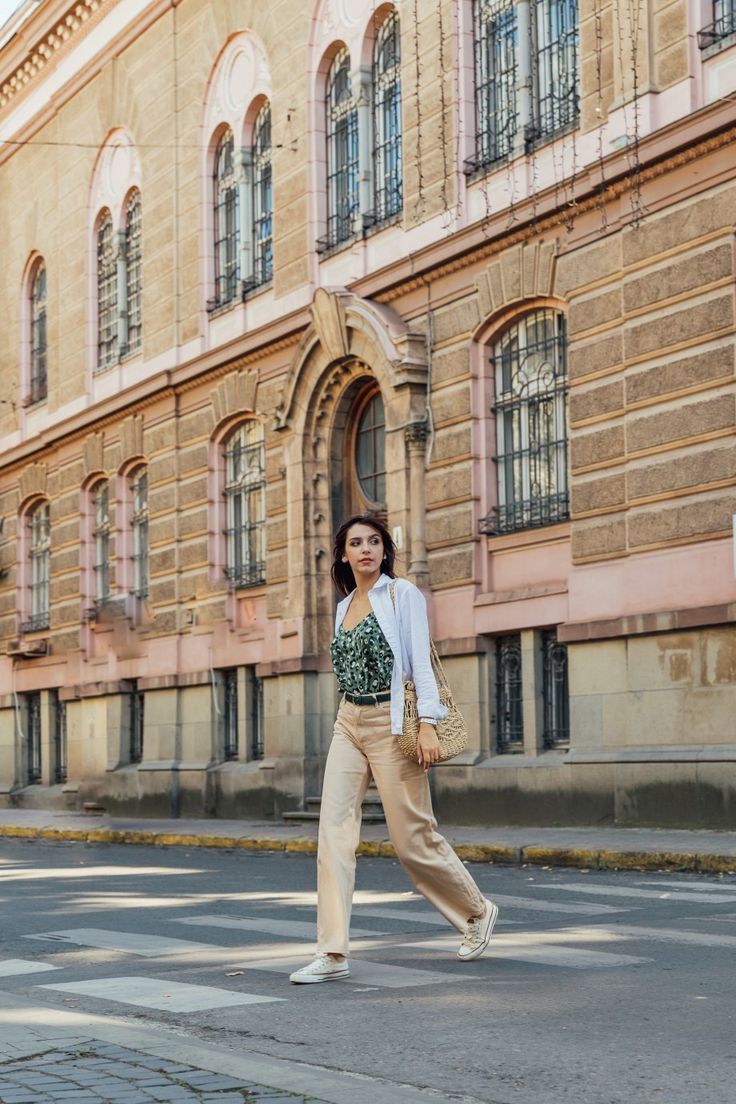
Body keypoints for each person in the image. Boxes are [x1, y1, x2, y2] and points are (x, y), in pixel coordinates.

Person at [289, 514, 498, 984]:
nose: (366, 549)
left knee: (411, 838)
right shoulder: (343, 608)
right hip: (349, 720)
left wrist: (427, 724)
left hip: (393, 721)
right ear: (343, 554)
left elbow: (419, 662)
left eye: (375, 542)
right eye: (356, 543)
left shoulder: (402, 595)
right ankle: (332, 953)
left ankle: (476, 911)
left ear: (385, 551)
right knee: (333, 837)